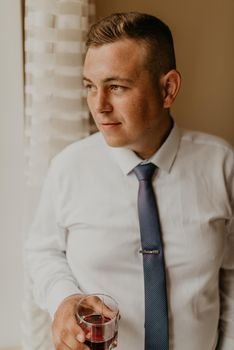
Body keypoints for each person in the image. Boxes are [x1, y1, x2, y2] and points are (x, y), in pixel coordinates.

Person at [25, 12, 234, 350]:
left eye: (116, 87)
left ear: (168, 88)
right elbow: (43, 251)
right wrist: (62, 298)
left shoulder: (222, 166)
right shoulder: (68, 167)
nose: (99, 106)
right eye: (90, 87)